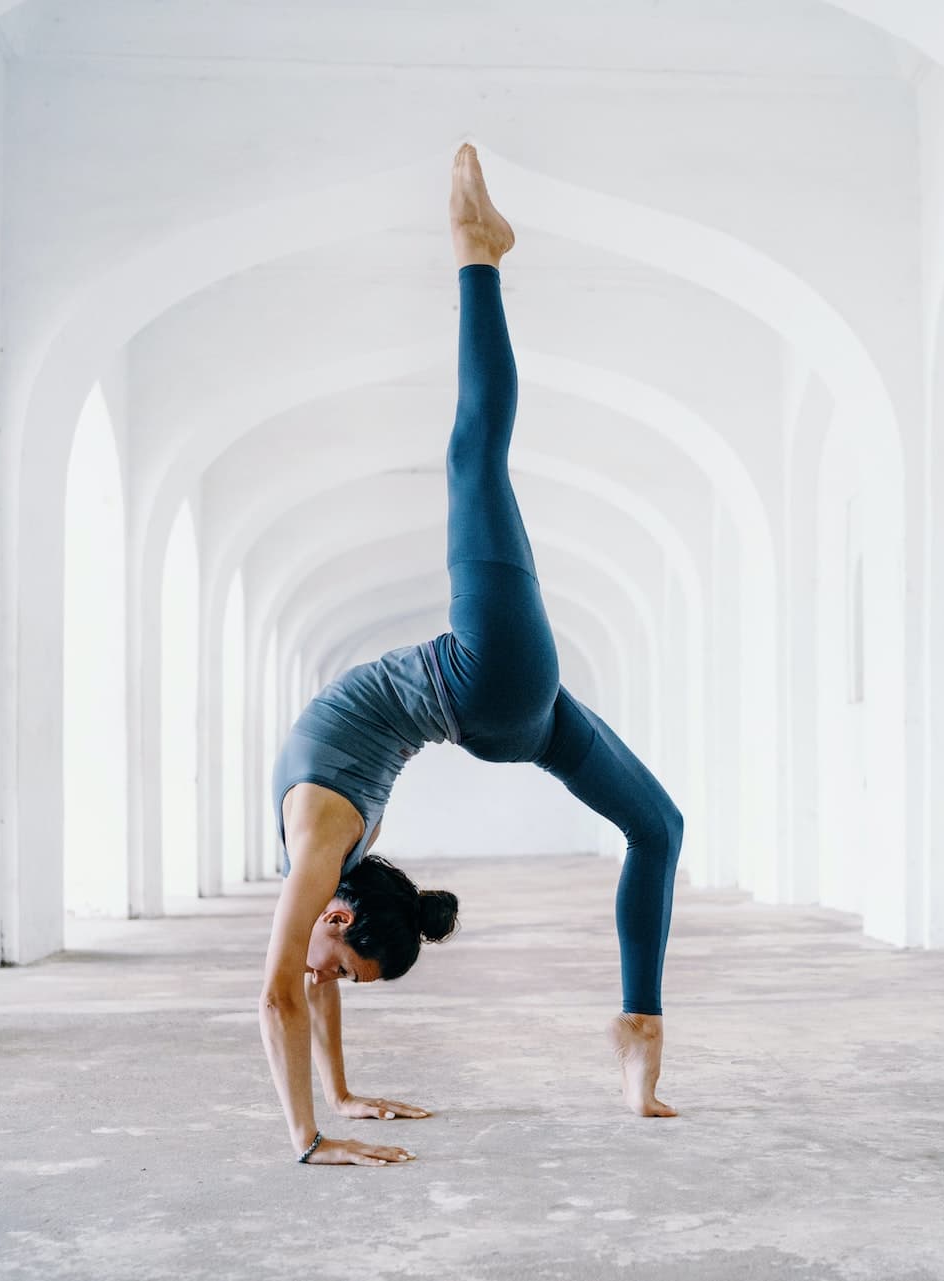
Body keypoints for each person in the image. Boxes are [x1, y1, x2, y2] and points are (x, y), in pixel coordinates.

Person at [258, 143, 684, 1167]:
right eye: (351, 973)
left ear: (342, 911)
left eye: (345, 970)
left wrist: (315, 1133)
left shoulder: (321, 845)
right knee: (473, 458)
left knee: (659, 826)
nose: (331, 978)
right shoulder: (331, 874)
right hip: (493, 692)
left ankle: (475, 254)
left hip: (492, 687)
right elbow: (310, 980)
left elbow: (278, 990)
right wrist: (341, 1102)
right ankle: (475, 255)